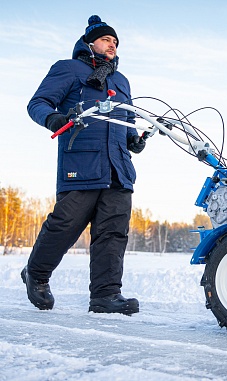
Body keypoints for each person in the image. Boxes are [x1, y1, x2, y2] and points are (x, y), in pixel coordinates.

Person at [21, 15, 145, 315]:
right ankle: (36, 274)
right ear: (90, 43)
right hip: (82, 161)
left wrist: (132, 140)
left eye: (115, 42)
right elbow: (37, 104)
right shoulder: (68, 68)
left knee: (113, 233)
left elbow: (125, 119)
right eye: (106, 40)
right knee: (65, 225)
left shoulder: (121, 80)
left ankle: (105, 295)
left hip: (118, 168)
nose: (112, 45)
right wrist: (54, 118)